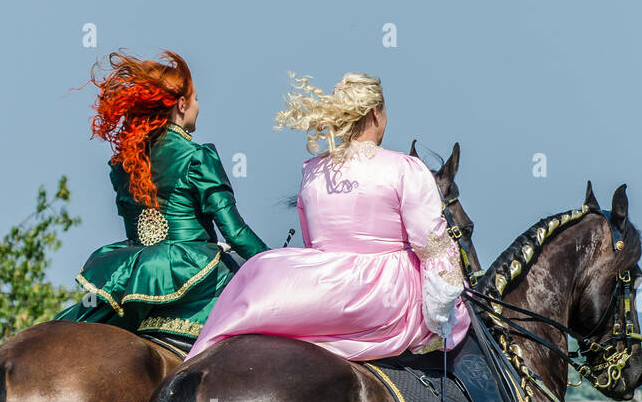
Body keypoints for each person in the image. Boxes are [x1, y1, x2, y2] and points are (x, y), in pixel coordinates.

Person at [188, 71, 471, 361]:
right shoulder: (406, 168)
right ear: (376, 113)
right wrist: (442, 314)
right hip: (387, 297)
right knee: (463, 318)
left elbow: (314, 246)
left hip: (323, 289)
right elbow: (433, 245)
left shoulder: (312, 171)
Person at [53, 50, 268, 348]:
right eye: (195, 99)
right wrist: (274, 261)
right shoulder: (197, 157)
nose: (198, 105)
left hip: (135, 274)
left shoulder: (124, 164)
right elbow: (235, 232)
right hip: (192, 269)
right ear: (181, 104)